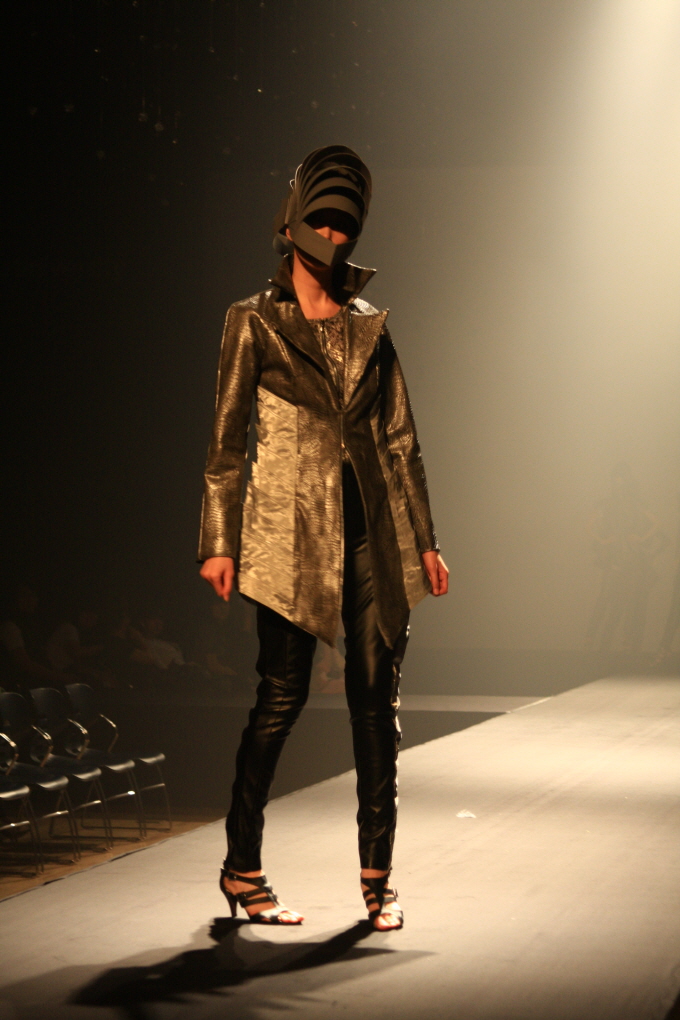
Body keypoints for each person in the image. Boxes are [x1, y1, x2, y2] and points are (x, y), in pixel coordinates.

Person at [198, 146, 448, 930]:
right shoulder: (253, 321)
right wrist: (219, 541)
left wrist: (428, 539)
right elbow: (226, 445)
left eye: (345, 224)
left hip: (373, 530)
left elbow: (401, 440)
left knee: (377, 701)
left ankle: (378, 878)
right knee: (281, 697)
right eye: (322, 221)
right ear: (293, 225)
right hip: (287, 534)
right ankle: (242, 869)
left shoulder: (370, 325)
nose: (334, 236)